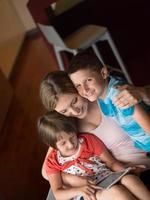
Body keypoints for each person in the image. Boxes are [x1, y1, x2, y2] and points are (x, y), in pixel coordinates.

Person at [39, 71, 150, 185]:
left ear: (78, 88)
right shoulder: (67, 127)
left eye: (74, 101)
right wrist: (76, 179)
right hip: (121, 177)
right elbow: (46, 172)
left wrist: (141, 93)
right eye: (64, 111)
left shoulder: (100, 92)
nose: (74, 111)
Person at [38, 111, 150, 200]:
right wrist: (79, 190)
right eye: (63, 143)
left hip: (108, 177)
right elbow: (58, 193)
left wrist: (127, 170)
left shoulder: (87, 141)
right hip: (87, 192)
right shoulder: (52, 162)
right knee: (117, 193)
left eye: (72, 137)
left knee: (131, 179)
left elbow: (111, 162)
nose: (71, 144)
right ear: (51, 144)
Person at [68, 50, 150, 153]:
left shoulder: (119, 95)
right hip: (144, 145)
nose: (85, 89)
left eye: (88, 80)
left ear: (104, 73)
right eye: (78, 85)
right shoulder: (102, 94)